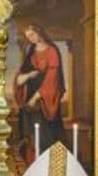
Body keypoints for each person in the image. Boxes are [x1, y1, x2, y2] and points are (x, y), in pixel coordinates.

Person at [13, 23, 64, 165]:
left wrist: (36, 97)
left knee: (44, 135)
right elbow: (24, 72)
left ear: (39, 31)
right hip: (29, 96)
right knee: (29, 134)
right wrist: (25, 77)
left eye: (32, 35)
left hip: (44, 100)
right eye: (28, 36)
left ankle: (44, 165)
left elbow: (52, 78)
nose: (31, 39)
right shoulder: (31, 51)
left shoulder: (52, 51)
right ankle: (31, 164)